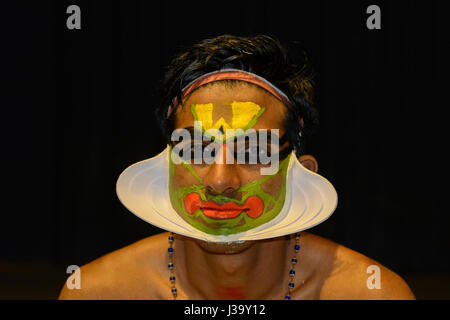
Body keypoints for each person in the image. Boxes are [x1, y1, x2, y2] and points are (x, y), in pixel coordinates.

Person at [58, 35, 415, 300]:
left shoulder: (370, 294)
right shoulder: (96, 293)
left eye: (255, 153)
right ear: (165, 167)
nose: (220, 181)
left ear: (303, 171)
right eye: (196, 150)